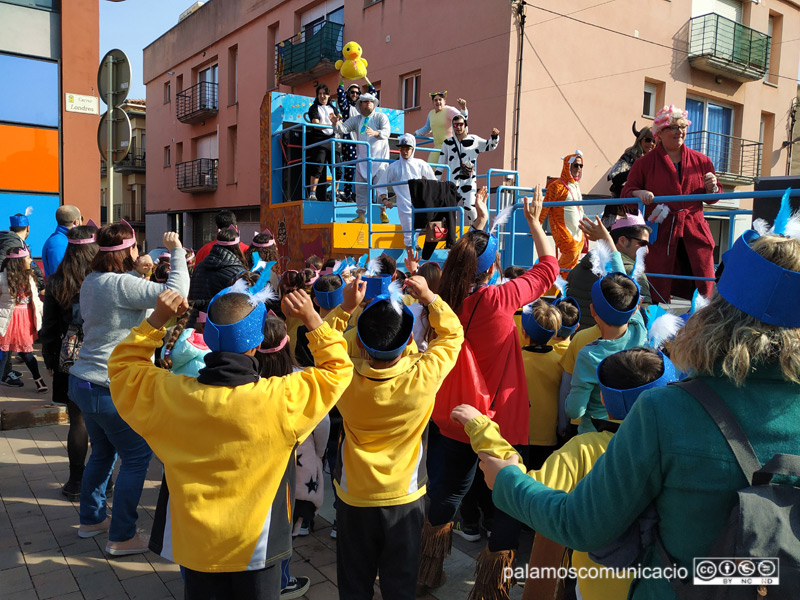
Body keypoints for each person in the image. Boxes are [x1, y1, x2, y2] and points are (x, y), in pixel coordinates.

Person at [476, 220, 800, 599]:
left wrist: (507, 481)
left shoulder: (667, 411)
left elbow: (582, 524)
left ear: (717, 315)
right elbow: (623, 292)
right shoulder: (643, 339)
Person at [107, 281, 353, 599]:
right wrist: (313, 320)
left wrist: (157, 319)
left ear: (208, 338)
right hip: (258, 548)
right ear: (257, 341)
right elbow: (338, 370)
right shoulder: (281, 399)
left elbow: (123, 367)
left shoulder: (169, 394)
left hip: (196, 546)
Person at [451, 346, 677, 600]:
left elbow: (526, 487)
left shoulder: (586, 447)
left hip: (598, 586)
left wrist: (481, 428)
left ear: (603, 399)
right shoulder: (684, 445)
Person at [419, 189, 558, 598]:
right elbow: (549, 266)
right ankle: (490, 588)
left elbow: (466, 261)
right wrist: (534, 222)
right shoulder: (501, 298)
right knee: (507, 505)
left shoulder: (442, 301)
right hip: (502, 420)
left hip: (457, 417)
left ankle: (426, 571)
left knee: (445, 494)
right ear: (495, 266)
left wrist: (479, 222)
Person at [331, 273, 464, 599]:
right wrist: (429, 297)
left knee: (353, 581)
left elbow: (324, 344)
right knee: (401, 583)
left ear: (358, 342)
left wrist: (344, 309)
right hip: (405, 499)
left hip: (353, 496)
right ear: (408, 342)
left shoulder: (342, 375)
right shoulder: (423, 373)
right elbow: (452, 334)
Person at [68, 224, 189, 555]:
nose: (141, 255)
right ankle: (122, 536)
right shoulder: (122, 284)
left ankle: (92, 521)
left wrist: (140, 273)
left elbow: (131, 305)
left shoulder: (93, 281)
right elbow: (176, 293)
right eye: (136, 249)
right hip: (110, 385)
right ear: (127, 252)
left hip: (82, 381)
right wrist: (177, 250)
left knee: (103, 452)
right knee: (136, 457)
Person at [621, 104, 719, 301]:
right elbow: (626, 194)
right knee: (657, 286)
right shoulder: (644, 163)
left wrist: (713, 187)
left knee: (703, 286)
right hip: (661, 233)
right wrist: (639, 193)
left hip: (695, 231)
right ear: (660, 132)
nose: (679, 132)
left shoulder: (702, 161)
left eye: (682, 126)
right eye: (673, 127)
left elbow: (713, 198)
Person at [564, 217, 648, 434]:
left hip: (593, 435)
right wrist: (607, 240)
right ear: (634, 307)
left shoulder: (588, 355)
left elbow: (575, 411)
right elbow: (621, 280)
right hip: (631, 431)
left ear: (593, 312)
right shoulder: (639, 331)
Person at [39, 225, 98, 499]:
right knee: (104, 421)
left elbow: (48, 326)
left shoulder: (57, 279)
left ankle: (75, 482)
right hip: (103, 352)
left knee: (77, 421)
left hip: (70, 356)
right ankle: (102, 480)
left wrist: (50, 360)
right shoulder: (102, 277)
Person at [566, 212, 652, 329]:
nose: (646, 250)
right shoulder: (634, 273)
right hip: (615, 344)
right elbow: (645, 320)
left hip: (577, 341)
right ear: (622, 241)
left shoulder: (578, 268)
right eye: (642, 243)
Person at [331, 93, 390, 224]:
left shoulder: (381, 117)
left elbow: (387, 132)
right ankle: (361, 216)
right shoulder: (357, 119)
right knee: (360, 188)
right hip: (363, 160)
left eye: (370, 101)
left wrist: (376, 133)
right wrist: (336, 123)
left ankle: (383, 211)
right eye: (365, 101)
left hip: (380, 160)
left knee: (381, 186)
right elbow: (343, 129)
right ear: (360, 104)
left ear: (374, 103)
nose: (368, 103)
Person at [519, 300, 563, 469]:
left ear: (524, 332)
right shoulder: (560, 362)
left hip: (520, 433)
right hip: (548, 436)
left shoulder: (516, 361)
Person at [434, 115, 499, 227]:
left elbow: (490, 145)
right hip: (452, 182)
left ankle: (473, 234)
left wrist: (494, 136)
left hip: (469, 182)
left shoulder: (474, 140)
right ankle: (452, 237)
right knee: (451, 210)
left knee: (470, 208)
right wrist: (435, 181)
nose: (458, 127)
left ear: (465, 125)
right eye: (455, 125)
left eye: (460, 124)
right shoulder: (447, 143)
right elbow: (440, 164)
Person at [378, 133, 437, 254]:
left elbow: (434, 182)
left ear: (413, 149)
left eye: (407, 148)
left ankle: (416, 248)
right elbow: (380, 184)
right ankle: (413, 261)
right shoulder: (394, 167)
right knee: (409, 236)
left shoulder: (421, 164)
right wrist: (385, 200)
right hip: (404, 206)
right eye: (401, 148)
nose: (404, 151)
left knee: (425, 226)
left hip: (421, 205)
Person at [0, 247, 46, 391]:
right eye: (28, 258)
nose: (31, 260)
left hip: (25, 320)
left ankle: (38, 379)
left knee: (27, 353)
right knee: (4, 354)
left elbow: (36, 300)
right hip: (8, 319)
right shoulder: (1, 278)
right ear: (19, 262)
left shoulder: (30, 278)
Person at [539, 151, 586, 270]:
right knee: (571, 252)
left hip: (578, 231)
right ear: (567, 166)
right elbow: (545, 206)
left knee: (574, 262)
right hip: (563, 230)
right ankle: (552, 277)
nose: (578, 168)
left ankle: (565, 284)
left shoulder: (576, 186)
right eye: (575, 165)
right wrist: (536, 226)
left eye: (581, 166)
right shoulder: (556, 185)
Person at [604, 123, 655, 223]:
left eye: (654, 141)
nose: (651, 144)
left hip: (645, 205)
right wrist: (636, 168)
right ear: (640, 140)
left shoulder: (655, 160)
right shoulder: (629, 157)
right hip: (622, 206)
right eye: (648, 140)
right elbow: (616, 178)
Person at [188, 227, 247, 312]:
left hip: (197, 320)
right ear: (237, 247)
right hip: (222, 321)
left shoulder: (199, 267)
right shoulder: (238, 271)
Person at [337, 81, 377, 201]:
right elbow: (340, 94)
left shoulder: (362, 108)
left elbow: (374, 94)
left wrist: (365, 78)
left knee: (367, 168)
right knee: (350, 168)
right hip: (350, 141)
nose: (354, 94)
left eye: (357, 92)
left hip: (363, 142)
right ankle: (348, 194)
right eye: (352, 92)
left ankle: (369, 196)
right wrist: (342, 78)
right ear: (348, 93)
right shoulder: (346, 107)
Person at [306, 84, 340, 202]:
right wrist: (331, 124)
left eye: (324, 93)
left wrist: (336, 122)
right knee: (317, 167)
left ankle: (335, 193)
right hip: (319, 140)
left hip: (332, 140)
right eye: (319, 94)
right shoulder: (314, 108)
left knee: (338, 168)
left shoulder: (333, 108)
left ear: (328, 95)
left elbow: (338, 124)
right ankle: (312, 193)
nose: (322, 96)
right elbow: (316, 125)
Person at [414, 91, 468, 160]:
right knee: (430, 167)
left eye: (440, 100)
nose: (438, 102)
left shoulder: (449, 110)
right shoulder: (431, 113)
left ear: (444, 101)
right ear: (432, 102)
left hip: (451, 146)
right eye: (435, 100)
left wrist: (463, 108)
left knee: (454, 168)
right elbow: (427, 128)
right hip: (438, 147)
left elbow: (462, 119)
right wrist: (416, 133)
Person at [41, 204, 82, 277]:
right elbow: (60, 275)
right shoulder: (58, 244)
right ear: (76, 222)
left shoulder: (63, 240)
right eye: (81, 218)